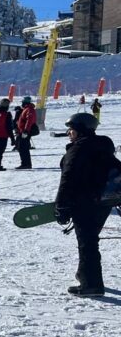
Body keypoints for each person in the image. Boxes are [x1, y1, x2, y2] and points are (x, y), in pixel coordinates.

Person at [54, 113, 121, 297]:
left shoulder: (77, 150)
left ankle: (91, 285)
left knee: (87, 242)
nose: (69, 133)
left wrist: (61, 206)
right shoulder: (104, 145)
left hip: (84, 202)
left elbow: (67, 180)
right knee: (90, 239)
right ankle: (84, 274)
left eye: (71, 129)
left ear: (80, 130)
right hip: (105, 201)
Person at [15, 96, 37, 169]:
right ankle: (25, 163)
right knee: (22, 147)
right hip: (22, 131)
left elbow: (29, 120)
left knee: (23, 148)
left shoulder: (29, 109)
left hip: (25, 132)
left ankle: (26, 164)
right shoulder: (26, 109)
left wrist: (26, 130)